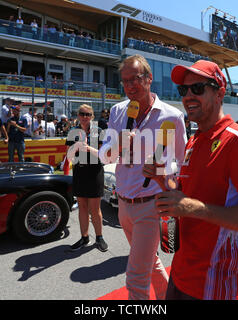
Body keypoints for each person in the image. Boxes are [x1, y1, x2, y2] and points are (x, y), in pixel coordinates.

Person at [143, 59, 238, 300]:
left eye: (198, 88)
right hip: (181, 273)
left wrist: (195, 209)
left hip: (215, 284)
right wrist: (162, 179)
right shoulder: (195, 140)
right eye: (184, 90)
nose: (188, 96)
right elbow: (185, 195)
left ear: (220, 93)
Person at [98, 54, 187, 300]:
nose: (129, 86)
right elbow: (105, 157)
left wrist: (161, 170)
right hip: (123, 206)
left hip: (152, 205)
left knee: (136, 278)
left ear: (148, 79)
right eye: (124, 81)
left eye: (135, 79)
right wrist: (117, 145)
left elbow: (183, 163)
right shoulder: (117, 111)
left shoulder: (172, 116)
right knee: (153, 265)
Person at [67, 104, 108, 252]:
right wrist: (75, 147)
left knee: (95, 208)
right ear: (78, 115)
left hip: (95, 172)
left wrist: (89, 148)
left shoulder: (98, 131)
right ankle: (84, 237)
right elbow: (69, 156)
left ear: (92, 116)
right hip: (79, 172)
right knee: (82, 207)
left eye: (88, 114)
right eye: (82, 114)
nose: (85, 117)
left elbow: (105, 155)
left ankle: (99, 237)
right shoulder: (73, 131)